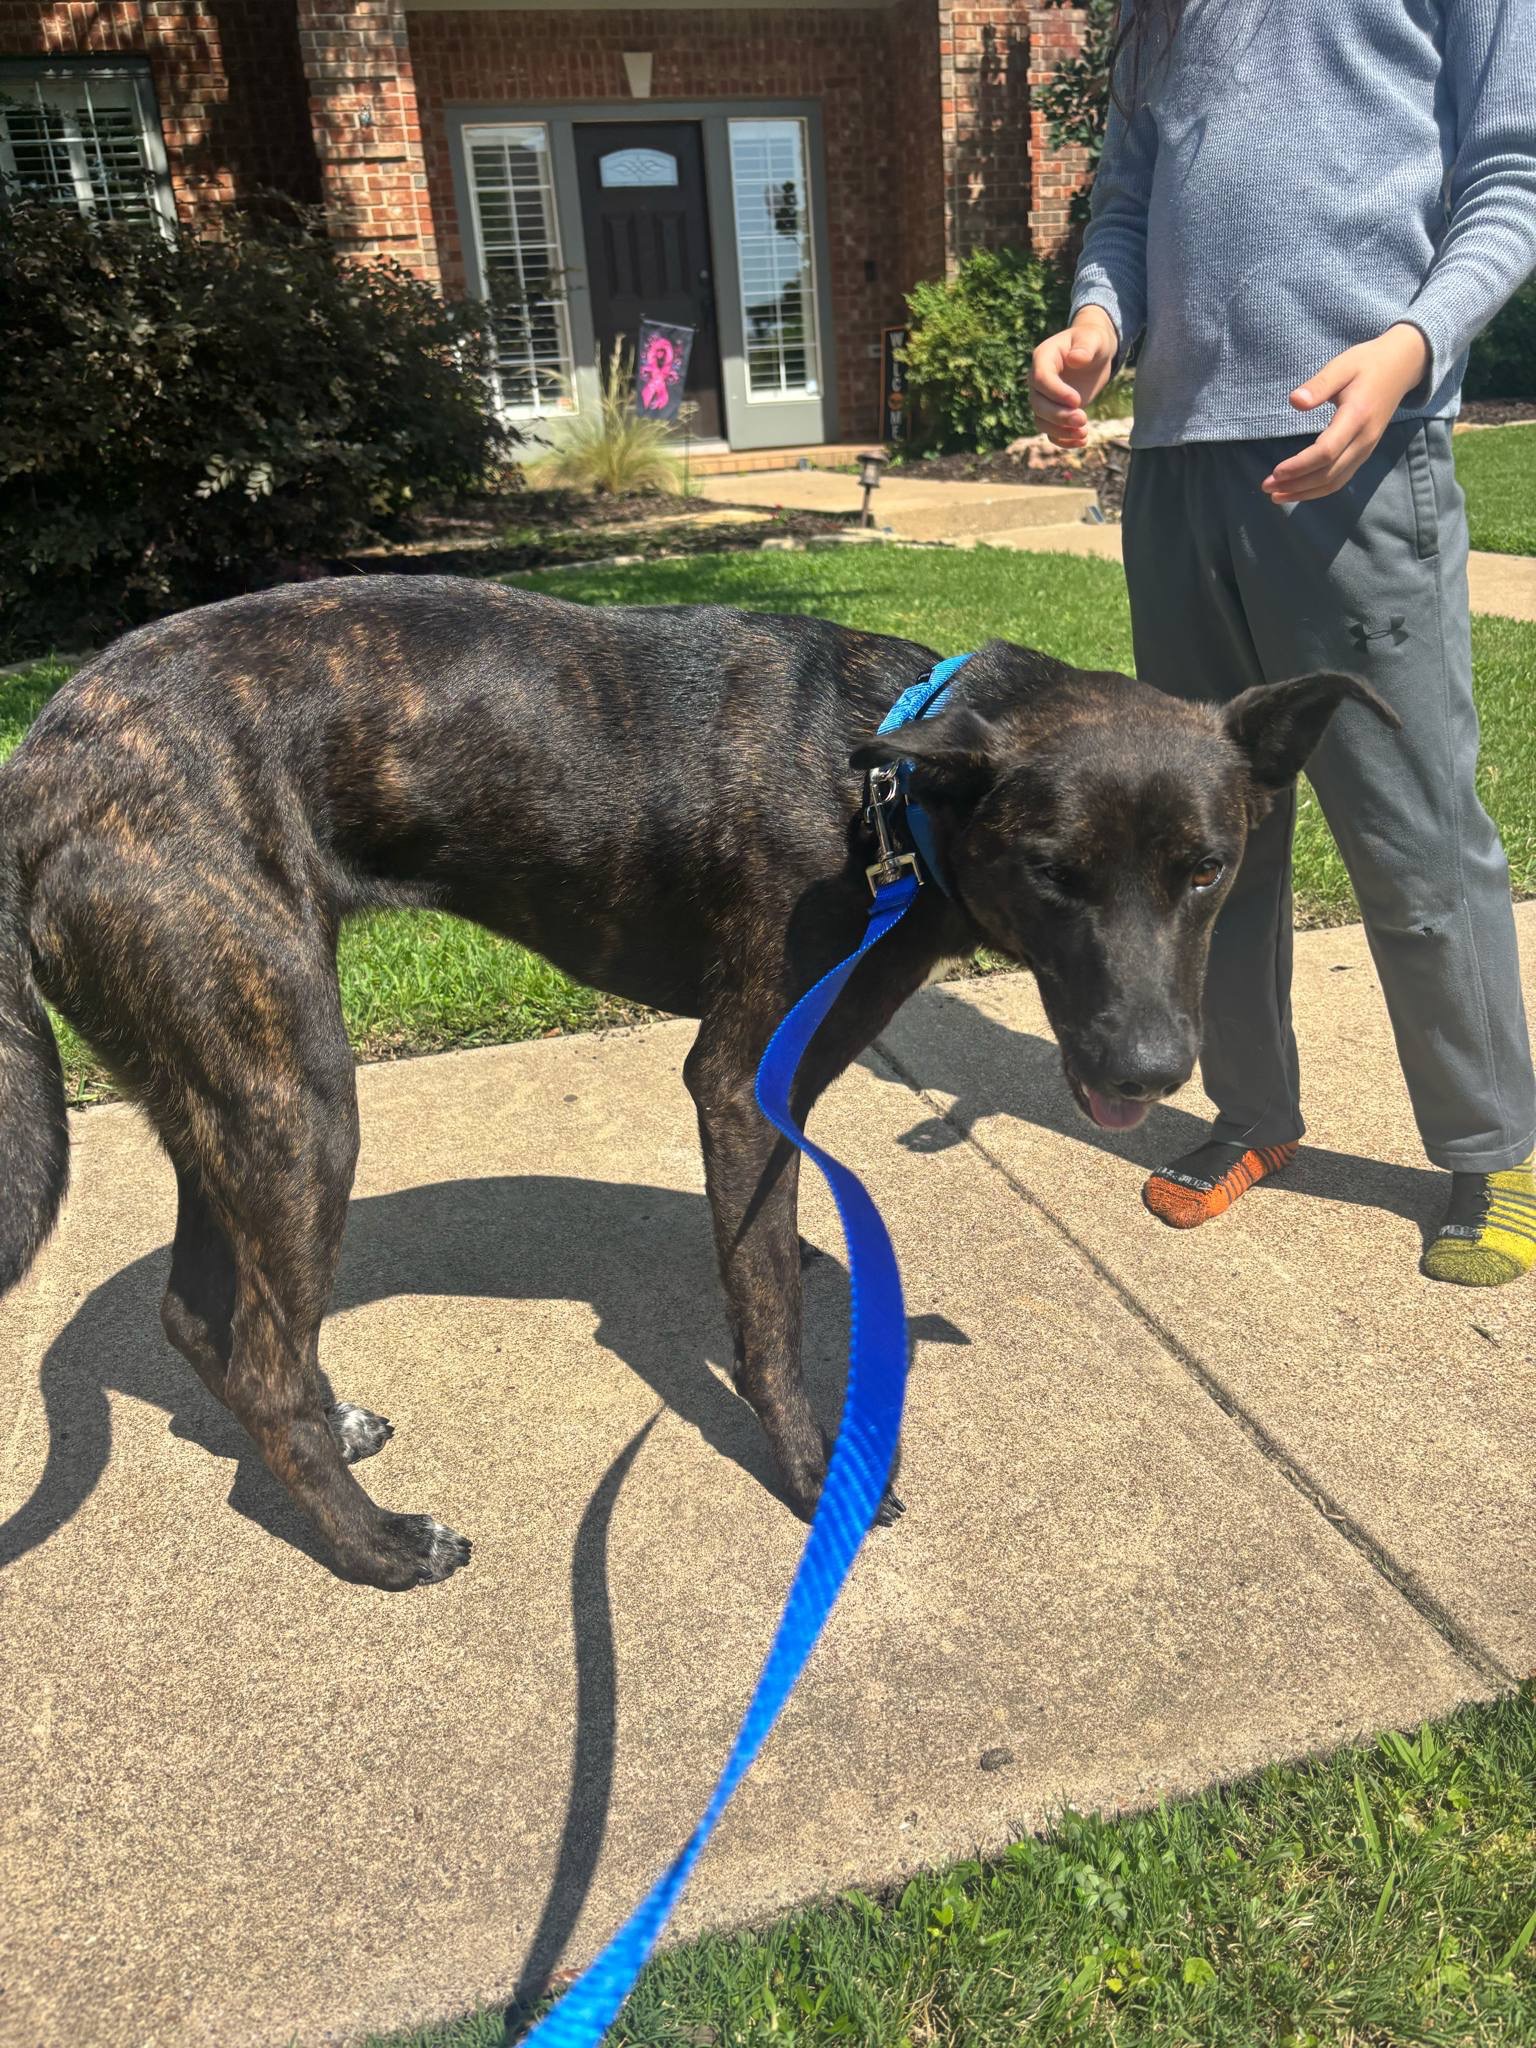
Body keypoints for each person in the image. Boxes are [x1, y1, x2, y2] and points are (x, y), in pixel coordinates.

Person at [1028, 0, 1536, 1288]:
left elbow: (1512, 177)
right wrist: (1099, 322)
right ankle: (1254, 1114)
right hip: (1177, 467)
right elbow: (1126, 208)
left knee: (1412, 831)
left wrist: (1413, 347)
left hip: (1359, 461)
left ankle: (1498, 1148)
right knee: (1205, 834)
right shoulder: (1160, 12)